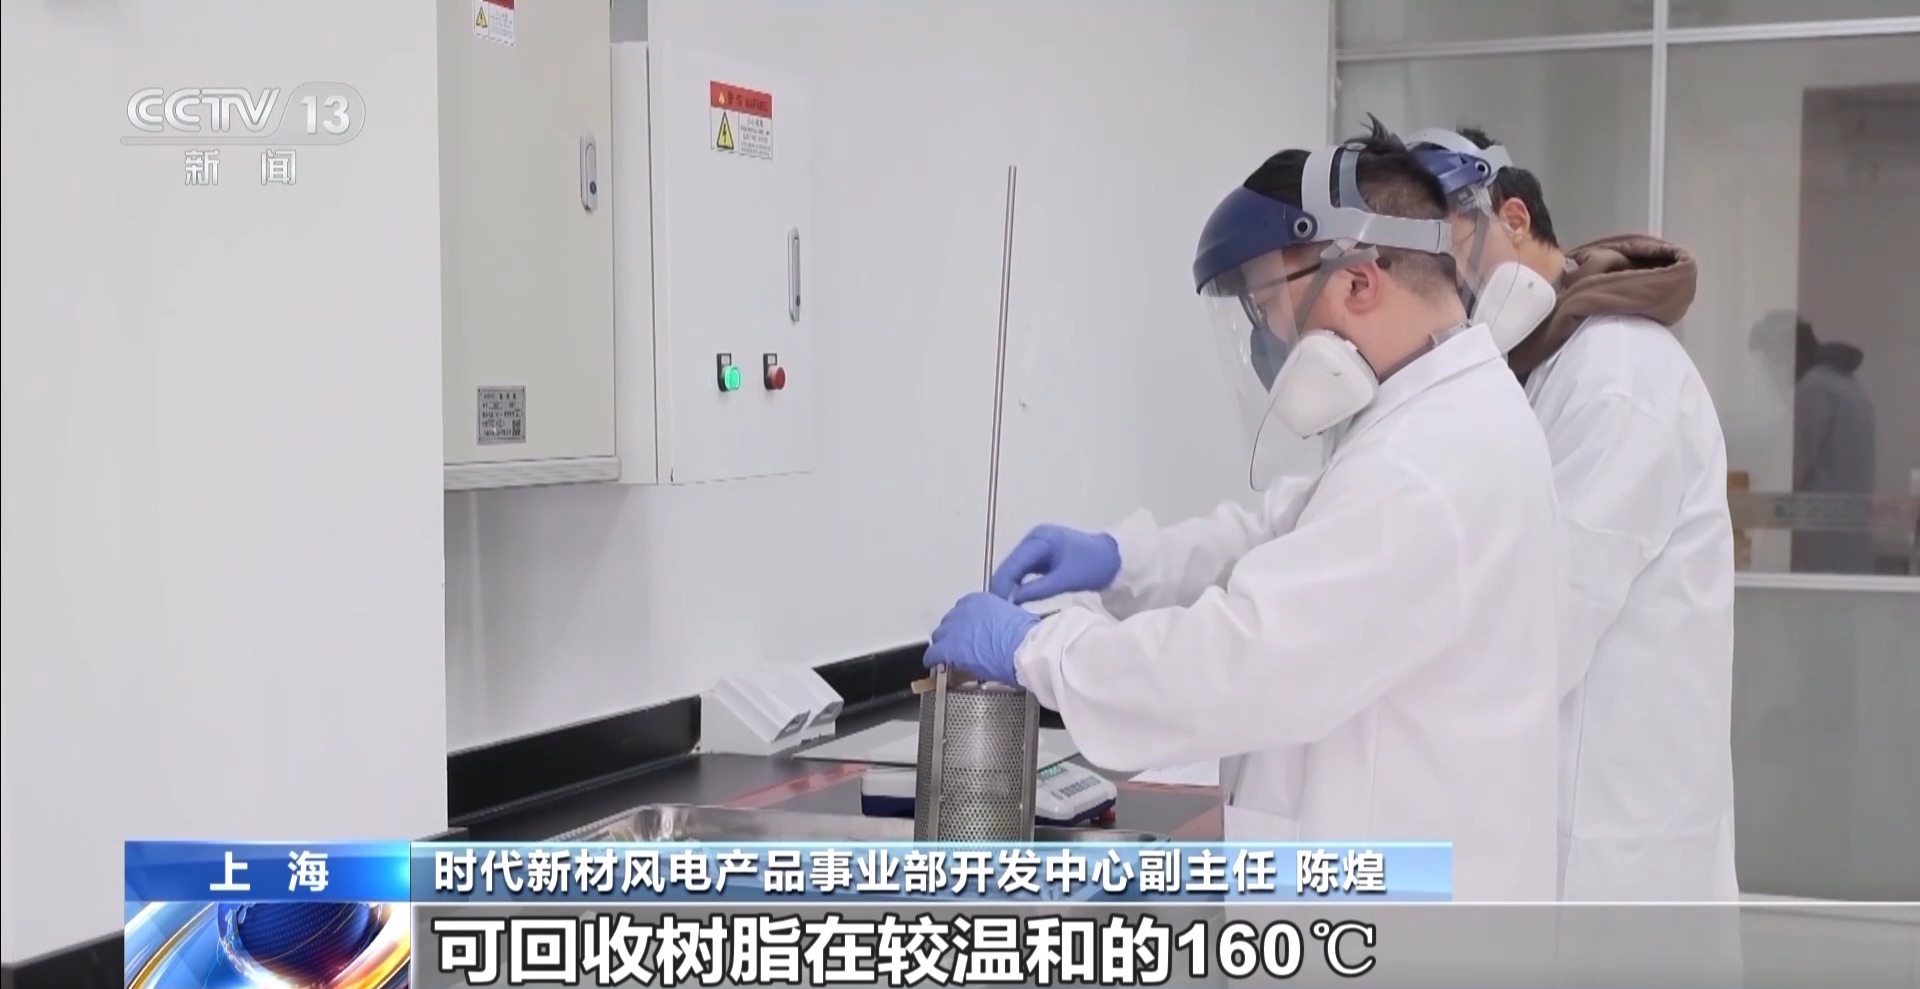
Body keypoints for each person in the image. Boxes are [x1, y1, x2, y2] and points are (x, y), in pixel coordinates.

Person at [921, 122, 1563, 902]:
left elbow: (1243, 662)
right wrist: (1124, 558)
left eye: (1267, 304)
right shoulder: (1431, 417)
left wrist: (1039, 649)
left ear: (1359, 283)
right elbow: (1280, 535)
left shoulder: (1427, 463)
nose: (1268, 341)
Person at [1407, 127, 1739, 902]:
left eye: (1450, 257)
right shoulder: (1542, 366)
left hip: (1610, 829)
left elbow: (1544, 623)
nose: (1444, 289)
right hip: (1567, 808)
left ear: (1514, 218)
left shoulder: (1617, 376)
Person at [1794, 331, 1878, 574]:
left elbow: (1794, 467)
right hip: (1852, 541)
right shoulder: (1853, 387)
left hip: (1820, 547)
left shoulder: (1814, 387)